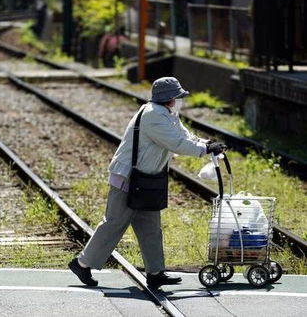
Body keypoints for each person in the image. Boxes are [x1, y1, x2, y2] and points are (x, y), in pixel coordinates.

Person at [68, 77, 226, 288]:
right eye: (179, 97)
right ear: (169, 98)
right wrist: (204, 150)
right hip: (128, 178)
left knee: (151, 228)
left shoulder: (167, 114)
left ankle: (155, 273)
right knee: (114, 223)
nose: (181, 100)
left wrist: (207, 143)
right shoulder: (154, 116)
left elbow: (183, 135)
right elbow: (176, 143)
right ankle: (82, 263)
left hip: (146, 180)